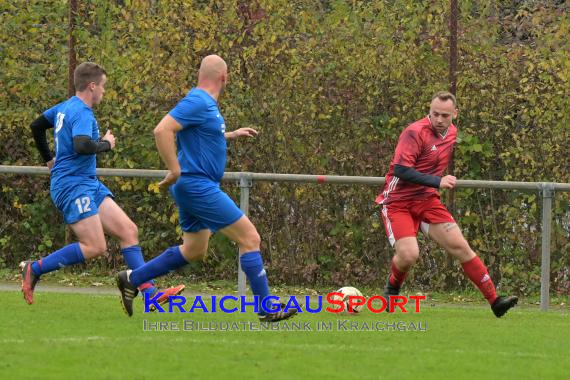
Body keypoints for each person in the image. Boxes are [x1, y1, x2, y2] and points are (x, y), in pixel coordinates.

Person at [116, 55, 298, 322]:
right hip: (197, 185)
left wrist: (229, 135)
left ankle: (133, 278)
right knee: (250, 238)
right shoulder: (198, 101)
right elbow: (162, 130)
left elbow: (199, 134)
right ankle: (267, 308)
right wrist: (174, 168)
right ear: (224, 78)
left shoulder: (204, 105)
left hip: (195, 185)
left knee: (193, 250)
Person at [23, 62, 184, 308]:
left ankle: (150, 294)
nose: (104, 92)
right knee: (95, 247)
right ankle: (35, 269)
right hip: (72, 186)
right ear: (92, 86)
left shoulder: (65, 107)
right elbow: (82, 145)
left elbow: (36, 126)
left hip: (88, 183)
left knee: (128, 231)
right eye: (103, 86)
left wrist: (49, 159)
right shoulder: (82, 113)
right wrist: (107, 143)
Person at [375, 91, 518, 318]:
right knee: (409, 255)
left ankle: (495, 301)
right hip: (398, 202)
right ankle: (392, 288)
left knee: (460, 246)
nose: (439, 119)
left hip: (427, 201)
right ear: (429, 111)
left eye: (444, 115)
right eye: (435, 114)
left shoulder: (452, 133)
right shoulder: (414, 132)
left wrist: (433, 185)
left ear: (455, 114)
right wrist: (437, 181)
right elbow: (401, 170)